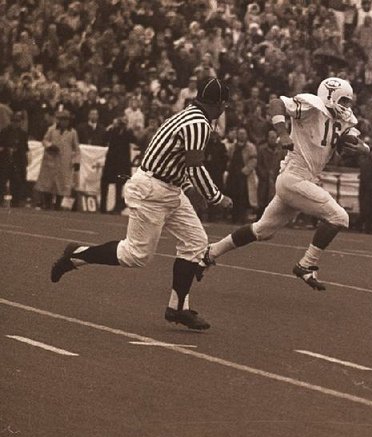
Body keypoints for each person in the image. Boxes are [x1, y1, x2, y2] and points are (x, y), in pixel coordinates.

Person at [50, 78, 234, 330]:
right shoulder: (198, 123)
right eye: (224, 104)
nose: (225, 110)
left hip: (168, 186)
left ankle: (177, 308)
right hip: (153, 190)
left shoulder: (186, 115)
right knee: (135, 255)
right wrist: (216, 196)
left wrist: (188, 187)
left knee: (196, 242)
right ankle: (76, 255)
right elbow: (195, 165)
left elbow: (171, 158)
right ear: (218, 104)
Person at [200, 77, 369, 291]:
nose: (346, 107)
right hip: (294, 177)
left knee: (262, 230)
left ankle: (210, 252)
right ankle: (306, 264)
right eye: (343, 101)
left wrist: (363, 148)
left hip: (301, 180)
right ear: (330, 96)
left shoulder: (343, 119)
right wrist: (282, 133)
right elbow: (275, 103)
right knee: (339, 217)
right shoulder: (312, 106)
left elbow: (354, 142)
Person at [35, 109, 80, 210]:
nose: (64, 122)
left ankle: (58, 204)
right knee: (48, 183)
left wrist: (76, 162)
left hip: (64, 161)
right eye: (62, 120)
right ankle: (47, 203)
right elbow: (45, 140)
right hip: (51, 159)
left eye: (66, 120)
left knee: (62, 184)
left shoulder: (72, 132)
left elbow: (76, 148)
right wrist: (49, 146)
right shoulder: (52, 129)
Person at [225, 127, 257, 224]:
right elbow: (229, 159)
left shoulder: (251, 147)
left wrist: (245, 171)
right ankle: (233, 217)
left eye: (243, 134)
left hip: (244, 177)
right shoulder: (232, 147)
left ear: (246, 135)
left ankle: (242, 218)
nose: (241, 135)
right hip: (233, 176)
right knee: (233, 196)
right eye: (240, 133)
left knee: (243, 198)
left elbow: (253, 161)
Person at [0, 111, 30, 207]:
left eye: (17, 121)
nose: (15, 123)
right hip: (5, 159)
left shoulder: (23, 134)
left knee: (17, 181)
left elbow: (25, 148)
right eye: (13, 121)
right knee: (2, 180)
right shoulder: (4, 131)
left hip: (18, 160)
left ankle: (16, 201)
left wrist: (24, 161)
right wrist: (7, 149)